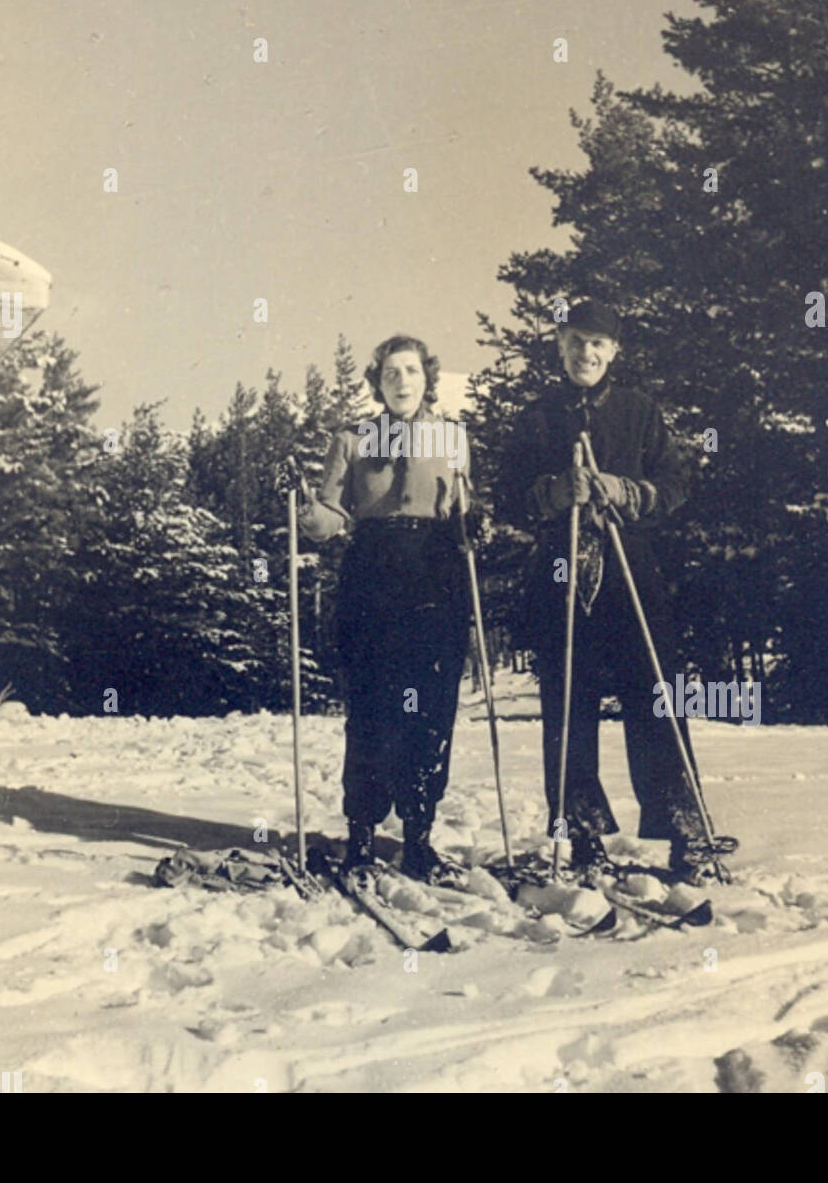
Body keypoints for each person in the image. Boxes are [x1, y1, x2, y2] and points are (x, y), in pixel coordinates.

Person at [497, 297, 729, 880]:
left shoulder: (638, 410)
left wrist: (627, 492)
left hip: (631, 571)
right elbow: (508, 495)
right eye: (576, 340)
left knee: (655, 695)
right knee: (569, 704)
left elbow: (676, 484)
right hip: (561, 574)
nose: (587, 352)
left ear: (614, 351)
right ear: (560, 346)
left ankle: (684, 830)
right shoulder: (538, 416)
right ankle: (581, 836)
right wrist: (553, 493)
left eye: (598, 343)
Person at [281, 334, 472, 884]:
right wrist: (302, 508)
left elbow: (465, 507)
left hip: (435, 575)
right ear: (377, 381)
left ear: (426, 378)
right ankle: (361, 835)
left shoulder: (452, 437)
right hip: (372, 574)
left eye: (411, 371)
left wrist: (470, 522)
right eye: (391, 373)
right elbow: (330, 518)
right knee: (370, 706)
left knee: (430, 707)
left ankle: (418, 837)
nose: (402, 382)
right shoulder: (353, 438)